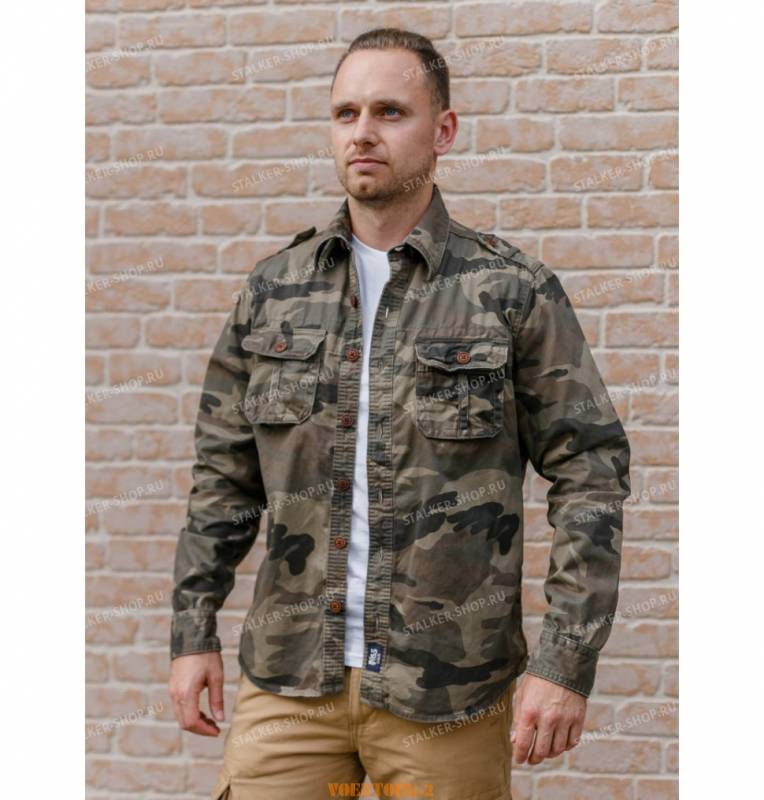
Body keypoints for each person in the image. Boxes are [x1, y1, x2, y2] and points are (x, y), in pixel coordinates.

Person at [168, 27, 631, 800]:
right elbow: (223, 478)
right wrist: (192, 633)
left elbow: (591, 470)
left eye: (390, 111)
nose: (363, 133)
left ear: (442, 130)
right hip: (290, 682)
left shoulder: (510, 291)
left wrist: (565, 661)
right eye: (345, 113)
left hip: (447, 692)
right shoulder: (273, 290)